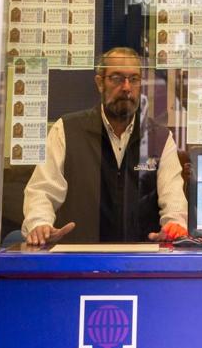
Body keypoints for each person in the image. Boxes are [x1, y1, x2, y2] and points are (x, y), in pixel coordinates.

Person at [23, 47, 188, 245]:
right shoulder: (66, 130)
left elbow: (174, 201)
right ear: (100, 83)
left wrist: (174, 227)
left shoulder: (159, 138)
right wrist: (39, 224)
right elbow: (42, 190)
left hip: (141, 262)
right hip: (77, 259)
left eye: (134, 79)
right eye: (117, 78)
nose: (126, 87)